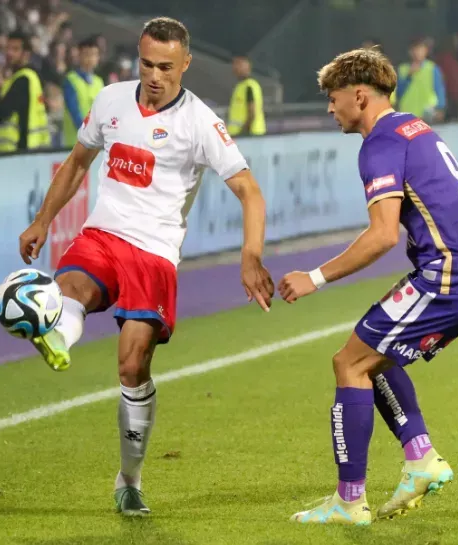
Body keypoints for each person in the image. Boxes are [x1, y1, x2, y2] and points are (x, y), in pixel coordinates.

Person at [17, 16, 274, 517]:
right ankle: (57, 334)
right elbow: (77, 162)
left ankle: (129, 480)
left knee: (133, 365)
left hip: (154, 252)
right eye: (147, 64)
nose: (154, 76)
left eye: (166, 67)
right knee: (70, 286)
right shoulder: (111, 100)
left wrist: (250, 257)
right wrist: (42, 220)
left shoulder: (200, 123)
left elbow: (249, 191)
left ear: (186, 64)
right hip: (102, 235)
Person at [279, 47, 458, 525]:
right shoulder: (414, 128)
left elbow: (382, 235)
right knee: (374, 352)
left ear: (359, 96)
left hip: (450, 276)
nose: (330, 108)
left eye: (334, 97)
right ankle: (420, 457)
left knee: (349, 362)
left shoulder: (379, 144)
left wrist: (314, 278)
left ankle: (348, 502)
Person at [0, 30, 51, 152]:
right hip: (35, 148)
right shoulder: (33, 77)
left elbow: (0, 114)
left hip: (18, 149)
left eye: (15, 49)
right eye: (7, 48)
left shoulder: (22, 79)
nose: (9, 53)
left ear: (26, 54)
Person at [61, 36, 103, 148]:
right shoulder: (71, 80)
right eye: (86, 54)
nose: (90, 58)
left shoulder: (99, 82)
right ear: (79, 56)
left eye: (94, 55)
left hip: (95, 145)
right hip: (74, 144)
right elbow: (74, 112)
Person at [392, 36, 446, 122]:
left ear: (426, 51)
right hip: (408, 116)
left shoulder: (432, 68)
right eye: (414, 49)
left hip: (428, 115)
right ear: (409, 51)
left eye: (420, 49)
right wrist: (409, 76)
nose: (417, 52)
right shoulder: (402, 69)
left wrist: (440, 109)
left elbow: (439, 90)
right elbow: (398, 93)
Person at [226, 55, 266, 136]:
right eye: (234, 65)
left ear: (246, 67)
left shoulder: (248, 86)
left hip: (249, 134)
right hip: (241, 134)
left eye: (238, 65)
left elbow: (252, 111)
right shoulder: (241, 86)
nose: (235, 68)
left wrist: (245, 131)